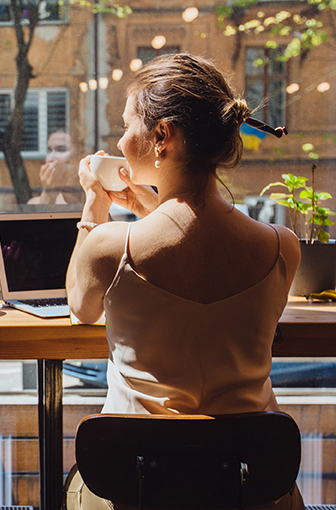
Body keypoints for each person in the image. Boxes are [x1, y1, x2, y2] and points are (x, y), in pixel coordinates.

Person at [65, 53, 304, 509]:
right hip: (249, 490)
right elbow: (204, 255)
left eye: (126, 124)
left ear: (161, 136)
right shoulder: (281, 248)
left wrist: (93, 209)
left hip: (135, 490)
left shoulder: (113, 248)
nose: (119, 139)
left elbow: (81, 306)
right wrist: (151, 214)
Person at [28, 130, 73, 205]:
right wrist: (48, 194)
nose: (51, 158)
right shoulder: (35, 203)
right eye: (49, 150)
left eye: (61, 150)